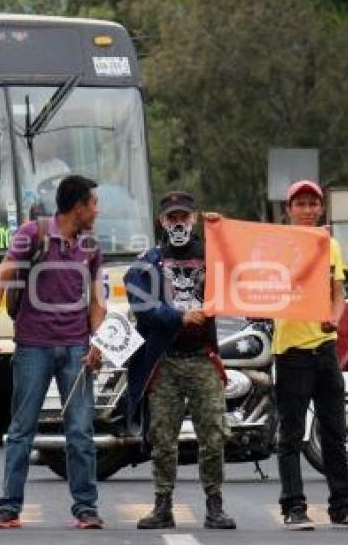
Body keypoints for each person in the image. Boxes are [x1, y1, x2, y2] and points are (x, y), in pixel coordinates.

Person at [0, 175, 105, 529]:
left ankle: (86, 508)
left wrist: (98, 342)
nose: (97, 210)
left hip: (76, 347)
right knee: (22, 428)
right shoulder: (32, 234)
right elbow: (1, 277)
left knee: (80, 430)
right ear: (78, 207)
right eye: (93, 203)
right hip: (33, 346)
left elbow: (97, 301)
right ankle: (8, 508)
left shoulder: (92, 245)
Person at [123, 191, 235, 530]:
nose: (178, 223)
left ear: (195, 218)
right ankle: (162, 506)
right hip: (165, 361)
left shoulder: (214, 255)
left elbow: (243, 272)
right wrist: (178, 318)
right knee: (162, 438)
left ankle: (215, 506)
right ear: (162, 221)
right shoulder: (148, 261)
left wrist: (225, 232)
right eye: (172, 217)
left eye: (184, 216)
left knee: (214, 435)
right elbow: (140, 305)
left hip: (203, 358)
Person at [273, 180, 348, 530]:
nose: (307, 210)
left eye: (312, 204)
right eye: (300, 204)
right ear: (288, 210)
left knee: (335, 431)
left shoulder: (330, 245)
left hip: (324, 349)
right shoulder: (275, 244)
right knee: (290, 435)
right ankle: (293, 507)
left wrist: (334, 317)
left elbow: (337, 294)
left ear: (320, 208)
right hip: (291, 351)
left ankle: (342, 507)